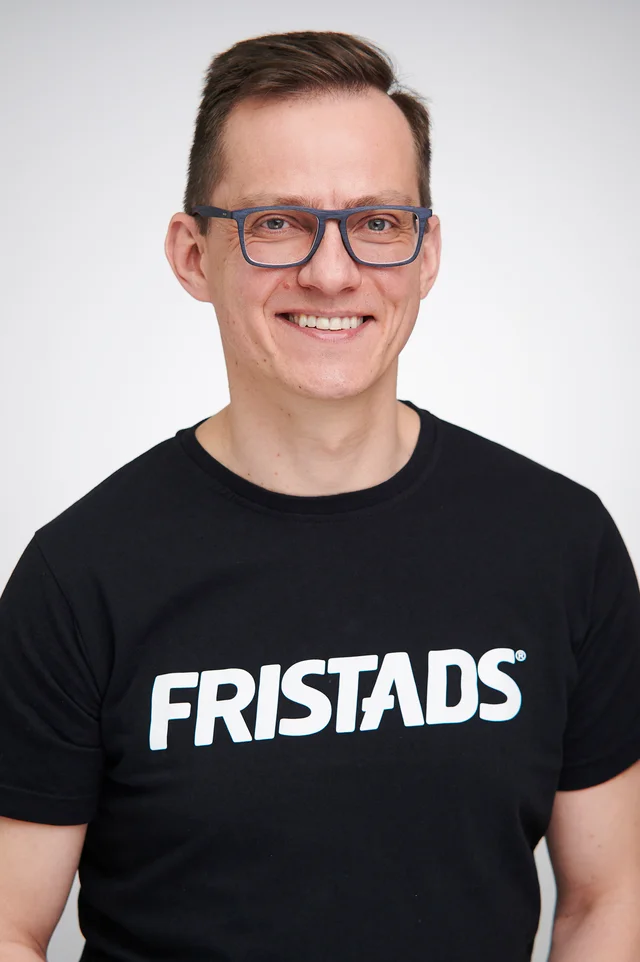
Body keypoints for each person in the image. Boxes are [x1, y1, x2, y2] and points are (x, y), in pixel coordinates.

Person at [0, 29, 639, 962]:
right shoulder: (79, 576)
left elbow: (608, 897)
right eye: (277, 223)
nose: (331, 272)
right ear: (193, 255)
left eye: (376, 223)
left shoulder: (560, 543)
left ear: (425, 253)